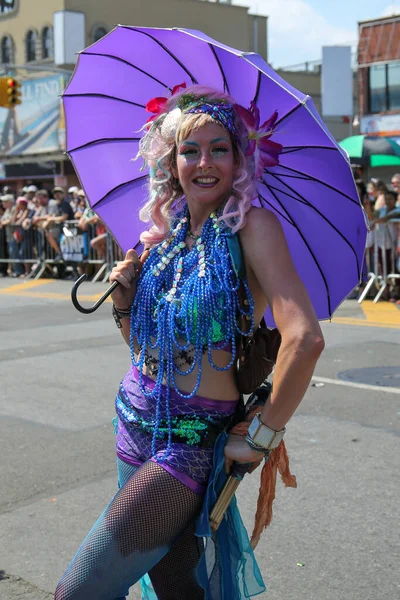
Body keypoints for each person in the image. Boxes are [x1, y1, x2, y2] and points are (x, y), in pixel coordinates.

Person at [55, 85, 325, 600]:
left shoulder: (254, 228)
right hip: (133, 426)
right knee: (181, 593)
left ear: (239, 158)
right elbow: (145, 350)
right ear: (171, 160)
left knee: (78, 592)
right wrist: (126, 298)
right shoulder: (167, 234)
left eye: (219, 148)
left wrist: (261, 437)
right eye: (190, 150)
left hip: (189, 445)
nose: (204, 162)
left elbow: (305, 339)